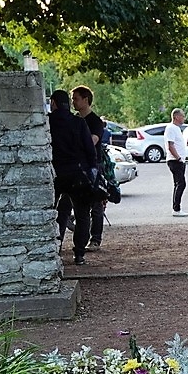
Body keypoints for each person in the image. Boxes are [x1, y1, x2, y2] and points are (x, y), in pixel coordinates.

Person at [48, 89, 98, 265]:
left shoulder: (48, 122)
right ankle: (79, 254)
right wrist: (92, 169)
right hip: (78, 173)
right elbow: (89, 148)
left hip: (56, 174)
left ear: (53, 103)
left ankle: (55, 246)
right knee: (82, 214)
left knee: (57, 212)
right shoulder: (78, 122)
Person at [72, 86, 109, 251]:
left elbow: (92, 141)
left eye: (76, 99)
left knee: (96, 204)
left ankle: (95, 239)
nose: (73, 102)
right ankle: (82, 239)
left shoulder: (95, 121)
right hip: (76, 165)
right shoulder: (74, 120)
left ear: (85, 100)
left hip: (93, 165)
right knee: (77, 204)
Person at [165, 108, 188, 217]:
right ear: (176, 117)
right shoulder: (171, 128)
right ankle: (176, 209)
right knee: (181, 184)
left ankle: (176, 208)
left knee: (178, 184)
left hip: (179, 161)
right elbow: (170, 145)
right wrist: (178, 158)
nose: (184, 118)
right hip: (175, 161)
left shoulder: (176, 129)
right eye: (182, 116)